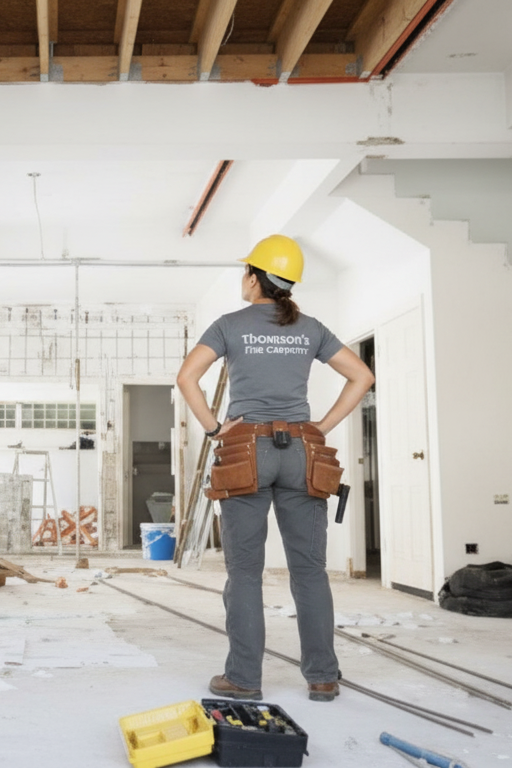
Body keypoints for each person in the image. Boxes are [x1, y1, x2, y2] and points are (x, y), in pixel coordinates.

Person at [175, 234, 374, 703]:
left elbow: (187, 378)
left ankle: (244, 679)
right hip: (302, 451)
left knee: (244, 572)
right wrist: (320, 425)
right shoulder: (311, 328)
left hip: (246, 450)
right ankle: (323, 677)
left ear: (253, 278)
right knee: (309, 571)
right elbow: (362, 376)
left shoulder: (229, 325)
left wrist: (213, 427)